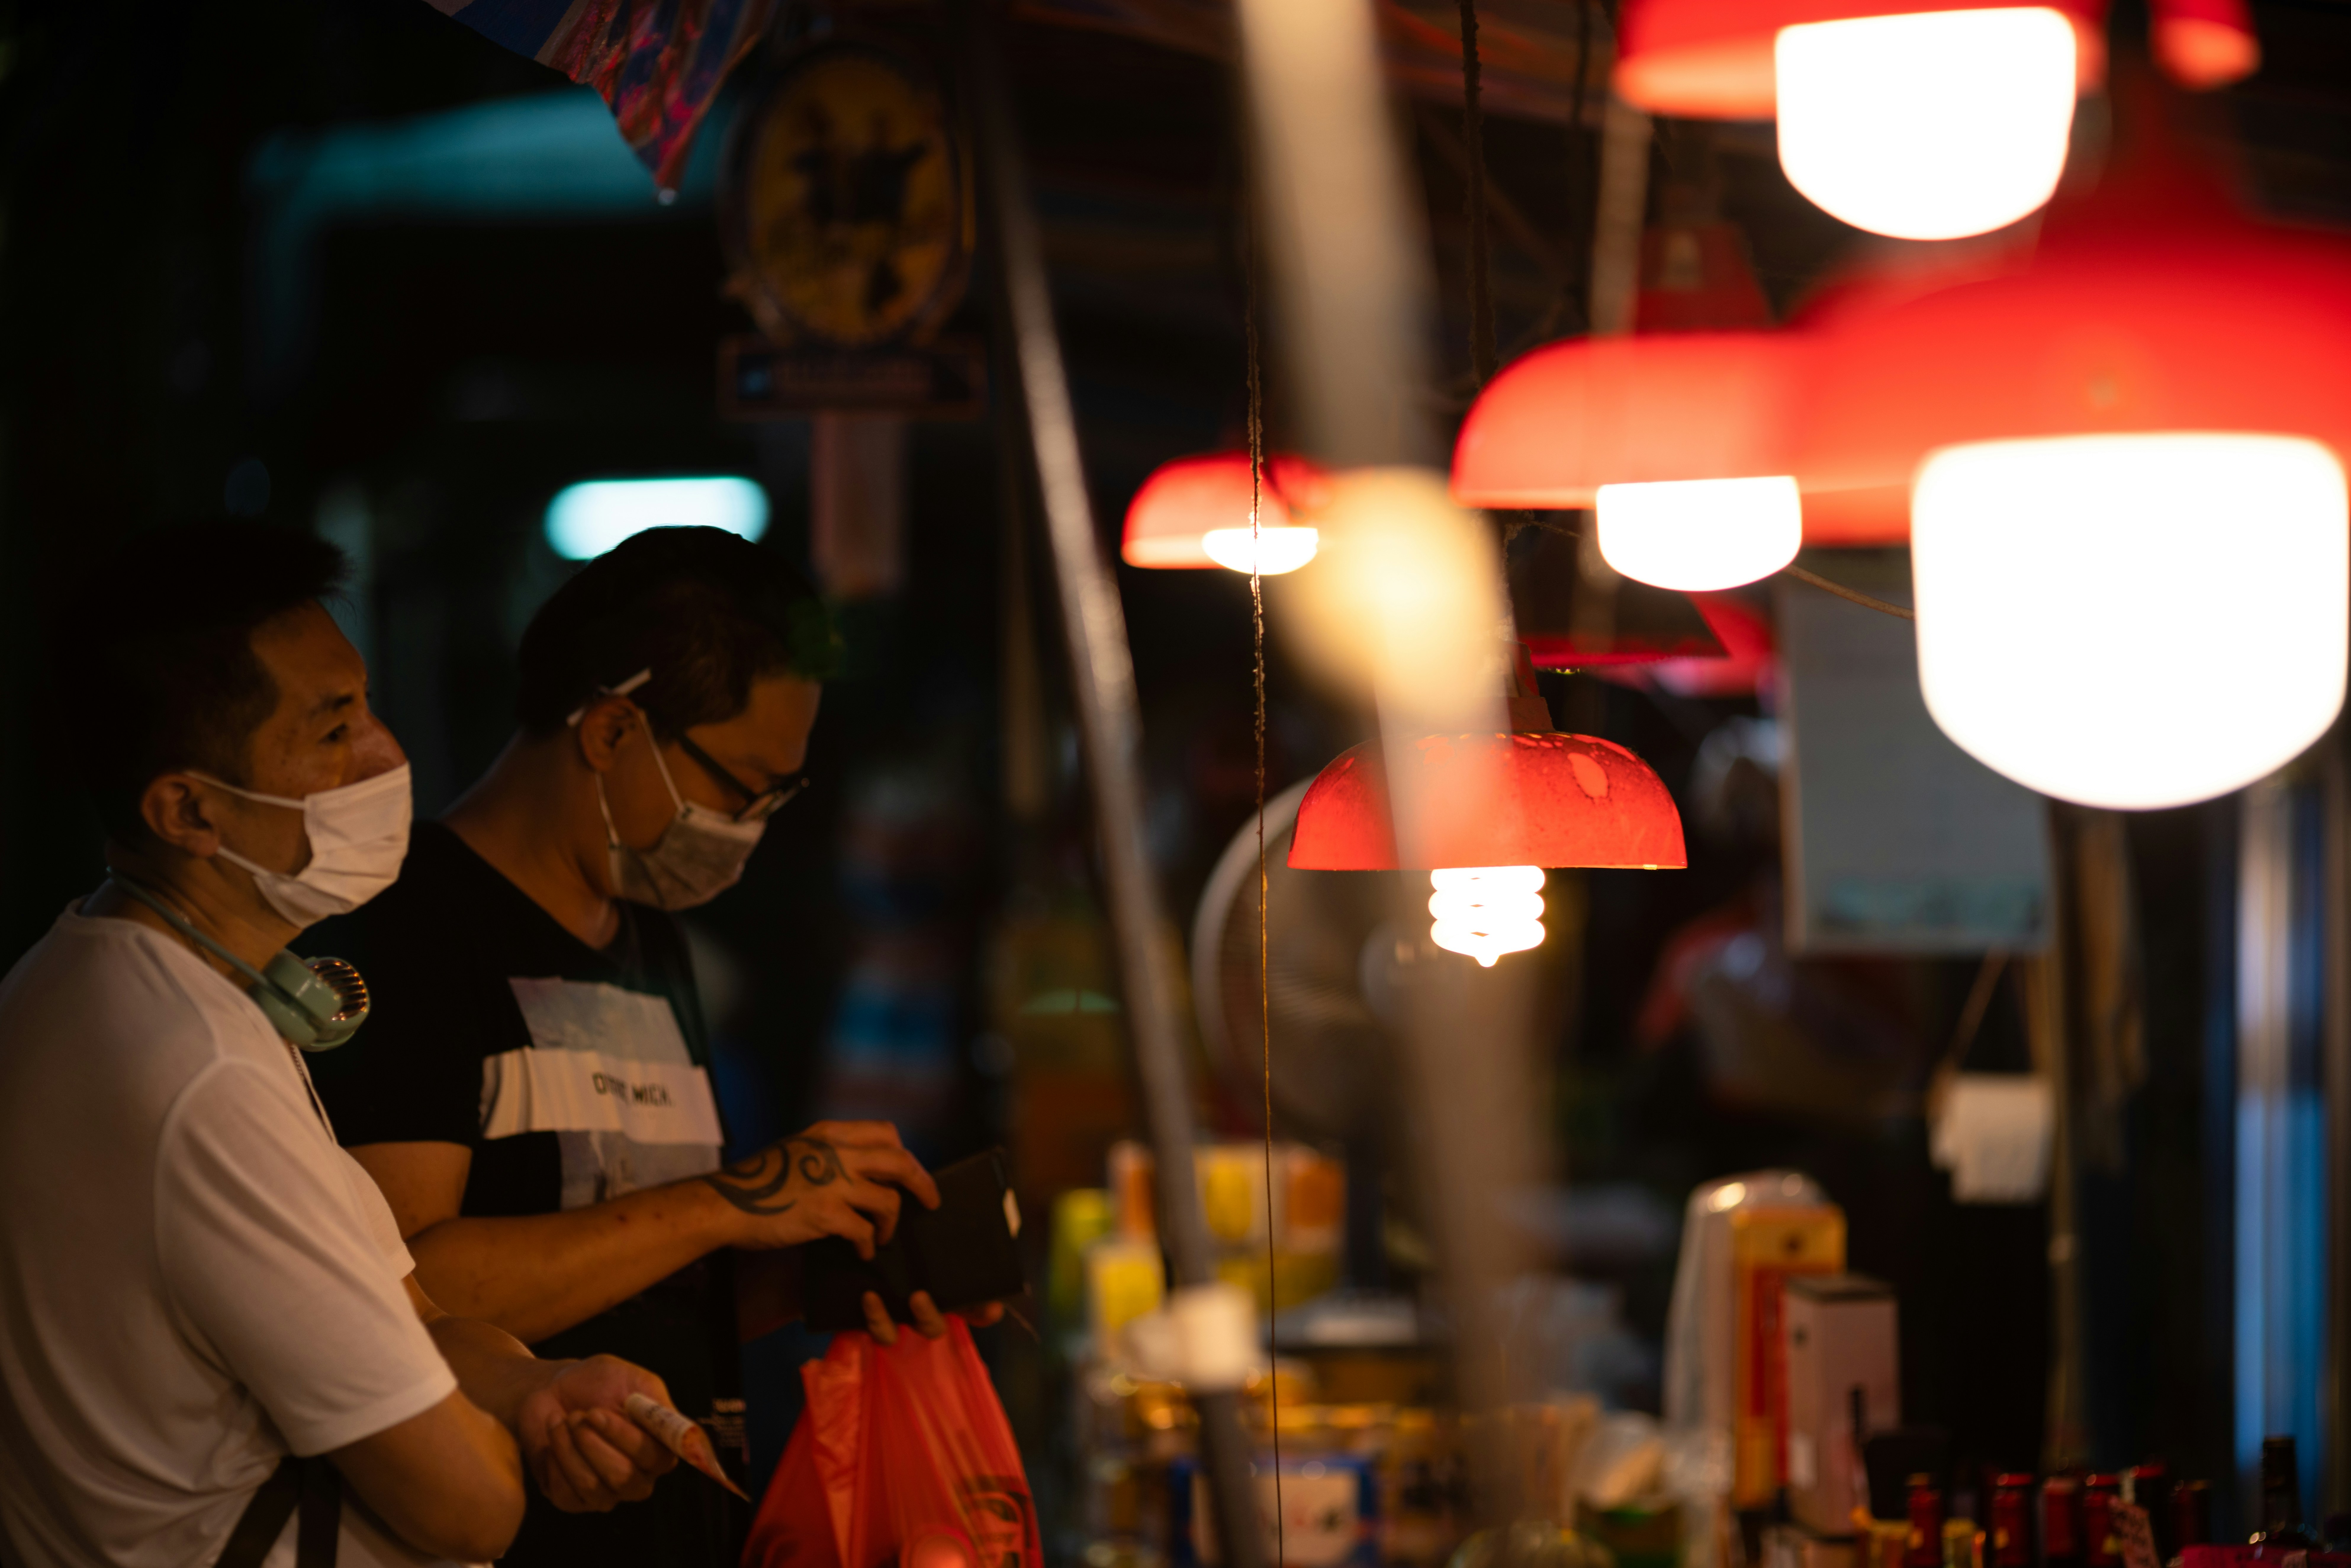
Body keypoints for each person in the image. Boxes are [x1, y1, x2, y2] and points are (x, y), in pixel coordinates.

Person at [304, 525, 990, 1568]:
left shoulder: (650, 935)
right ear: (613, 731)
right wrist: (737, 1196)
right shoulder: (406, 930)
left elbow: (649, 1281)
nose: (753, 826)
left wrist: (829, 1274)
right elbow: (396, 1294)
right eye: (741, 787)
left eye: (780, 799)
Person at [0, 520, 681, 1568]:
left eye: (366, 705)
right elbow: (469, 1510)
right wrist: (508, 1446)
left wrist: (537, 1389)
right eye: (332, 732)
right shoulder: (197, 1071)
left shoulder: (113, 976)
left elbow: (406, 1310)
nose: (388, 756)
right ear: (187, 808)